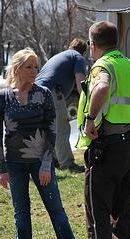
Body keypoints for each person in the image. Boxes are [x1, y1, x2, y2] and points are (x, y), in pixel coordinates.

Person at [0, 48, 85, 239]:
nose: (34, 71)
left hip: (40, 162)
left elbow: (51, 131)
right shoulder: (2, 97)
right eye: (29, 67)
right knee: (20, 212)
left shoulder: (43, 94)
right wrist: (1, 168)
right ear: (17, 69)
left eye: (36, 66)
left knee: (56, 208)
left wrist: (46, 164)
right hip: (14, 164)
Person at [72, 21, 130, 239]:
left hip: (105, 149)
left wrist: (90, 120)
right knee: (123, 211)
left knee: (98, 214)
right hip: (129, 147)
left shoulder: (102, 66)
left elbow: (101, 89)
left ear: (92, 44)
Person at [35, 38, 87, 171]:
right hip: (52, 91)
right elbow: (80, 81)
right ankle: (67, 163)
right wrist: (86, 101)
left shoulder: (60, 55)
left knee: (47, 128)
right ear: (83, 51)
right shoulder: (77, 57)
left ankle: (53, 160)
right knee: (61, 128)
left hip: (36, 91)